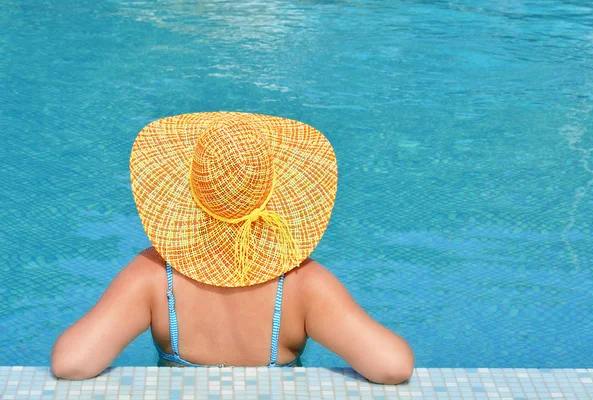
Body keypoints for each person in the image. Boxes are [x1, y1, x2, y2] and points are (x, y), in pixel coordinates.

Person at [51, 112, 415, 383]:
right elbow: (392, 365)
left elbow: (72, 363)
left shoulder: (152, 277)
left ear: (187, 196)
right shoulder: (305, 285)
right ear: (275, 194)